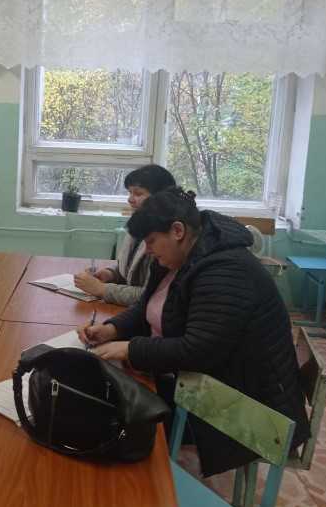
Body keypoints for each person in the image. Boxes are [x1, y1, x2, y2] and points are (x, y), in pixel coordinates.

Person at [78, 187, 310, 476]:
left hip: (244, 407)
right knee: (101, 396)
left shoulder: (225, 271)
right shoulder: (178, 257)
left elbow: (198, 350)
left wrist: (130, 348)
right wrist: (111, 329)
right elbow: (147, 306)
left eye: (151, 241)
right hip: (200, 383)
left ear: (177, 231)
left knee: (110, 416)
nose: (147, 250)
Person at [73, 165, 176, 306]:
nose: (130, 199)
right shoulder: (139, 222)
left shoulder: (165, 237)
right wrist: (111, 274)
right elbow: (131, 268)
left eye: (138, 194)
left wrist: (101, 289)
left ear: (160, 198)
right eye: (130, 193)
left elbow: (151, 296)